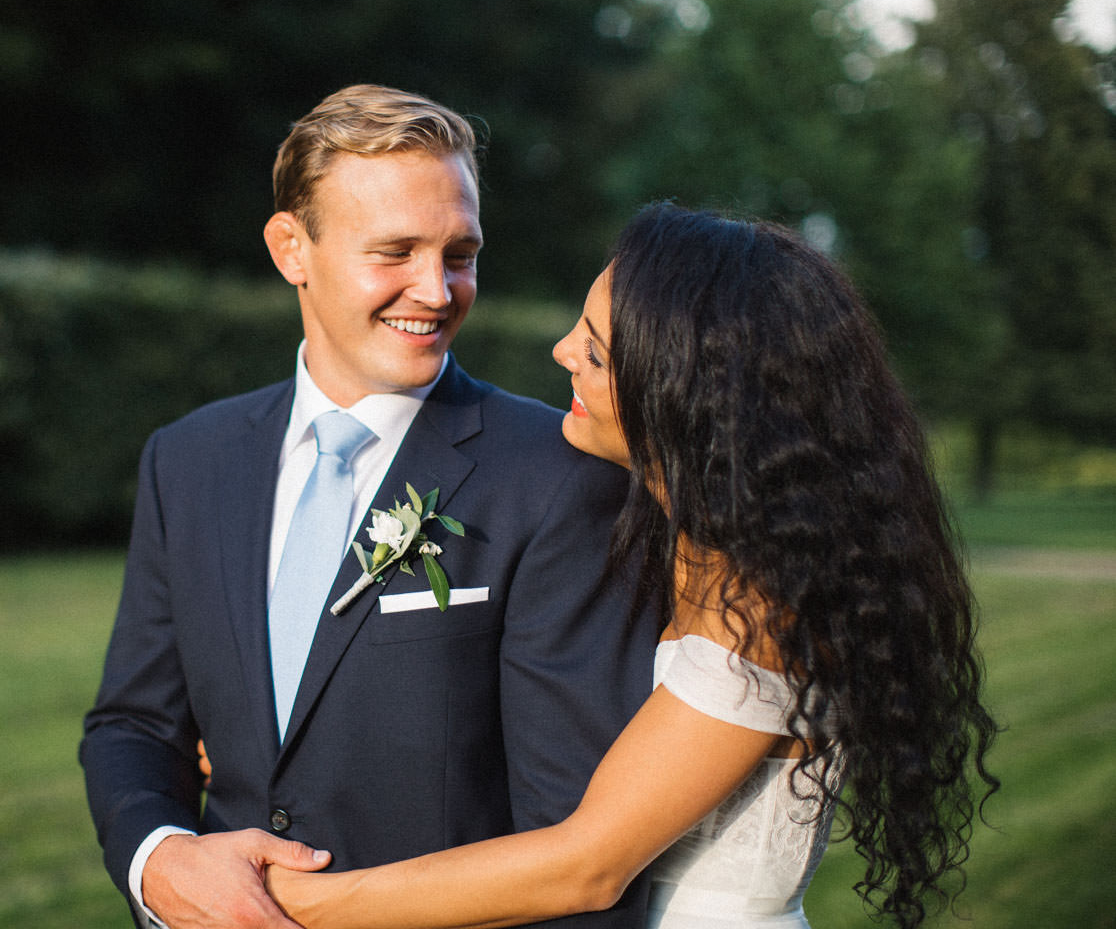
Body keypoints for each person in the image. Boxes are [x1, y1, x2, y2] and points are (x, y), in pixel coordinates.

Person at [265, 203, 999, 929]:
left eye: (594, 351)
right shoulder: (667, 537)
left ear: (684, 393)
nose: (559, 352)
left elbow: (585, 867)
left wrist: (284, 902)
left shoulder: (762, 609)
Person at [80, 84, 658, 929]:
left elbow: (577, 839)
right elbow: (134, 721)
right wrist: (157, 860)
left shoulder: (558, 477)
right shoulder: (190, 458)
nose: (437, 290)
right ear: (291, 249)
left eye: (460, 253)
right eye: (395, 252)